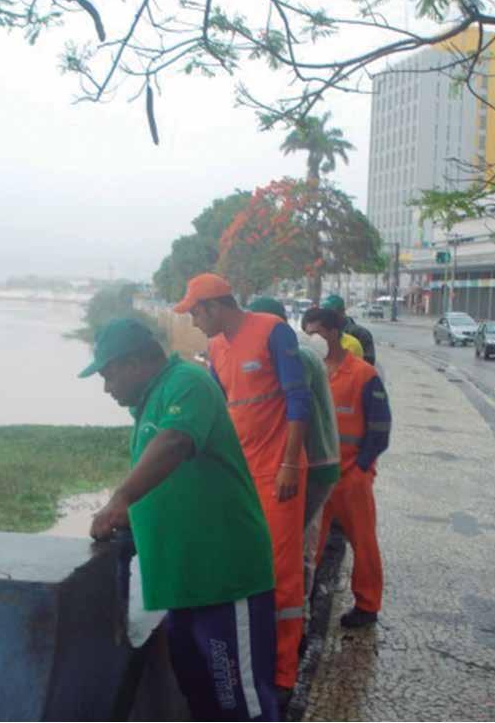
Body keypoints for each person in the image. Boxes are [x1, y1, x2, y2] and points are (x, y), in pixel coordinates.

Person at [87, 318, 278, 720]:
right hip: (182, 586)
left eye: (109, 375)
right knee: (201, 697)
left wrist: (121, 499)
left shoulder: (187, 382)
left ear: (136, 361)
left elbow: (176, 440)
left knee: (241, 702)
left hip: (223, 581)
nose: (107, 388)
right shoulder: (150, 401)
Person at [174, 274, 310, 704]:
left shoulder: (272, 331)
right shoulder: (216, 348)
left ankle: (285, 674)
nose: (193, 323)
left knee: (282, 574)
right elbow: (218, 411)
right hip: (241, 476)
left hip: (278, 475)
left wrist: (290, 463)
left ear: (214, 306)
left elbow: (299, 401)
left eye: (194, 312)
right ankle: (259, 664)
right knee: (250, 570)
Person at [246, 297, 340, 618]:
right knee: (298, 540)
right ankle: (296, 615)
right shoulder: (298, 355)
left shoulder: (296, 357)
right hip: (317, 463)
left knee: (291, 545)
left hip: (312, 464)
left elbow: (289, 409)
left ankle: (294, 622)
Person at [302, 307, 391, 629]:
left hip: (351, 476)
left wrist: (361, 469)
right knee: (309, 546)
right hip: (315, 476)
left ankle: (367, 605)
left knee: (363, 542)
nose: (313, 338)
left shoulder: (364, 375)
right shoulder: (308, 371)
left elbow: (381, 429)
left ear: (335, 332)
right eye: (308, 333)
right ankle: (305, 602)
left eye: (318, 332)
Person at [321, 294, 376, 366]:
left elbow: (369, 361)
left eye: (330, 312)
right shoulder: (322, 332)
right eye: (323, 312)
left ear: (342, 311)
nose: (326, 316)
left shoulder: (361, 334)